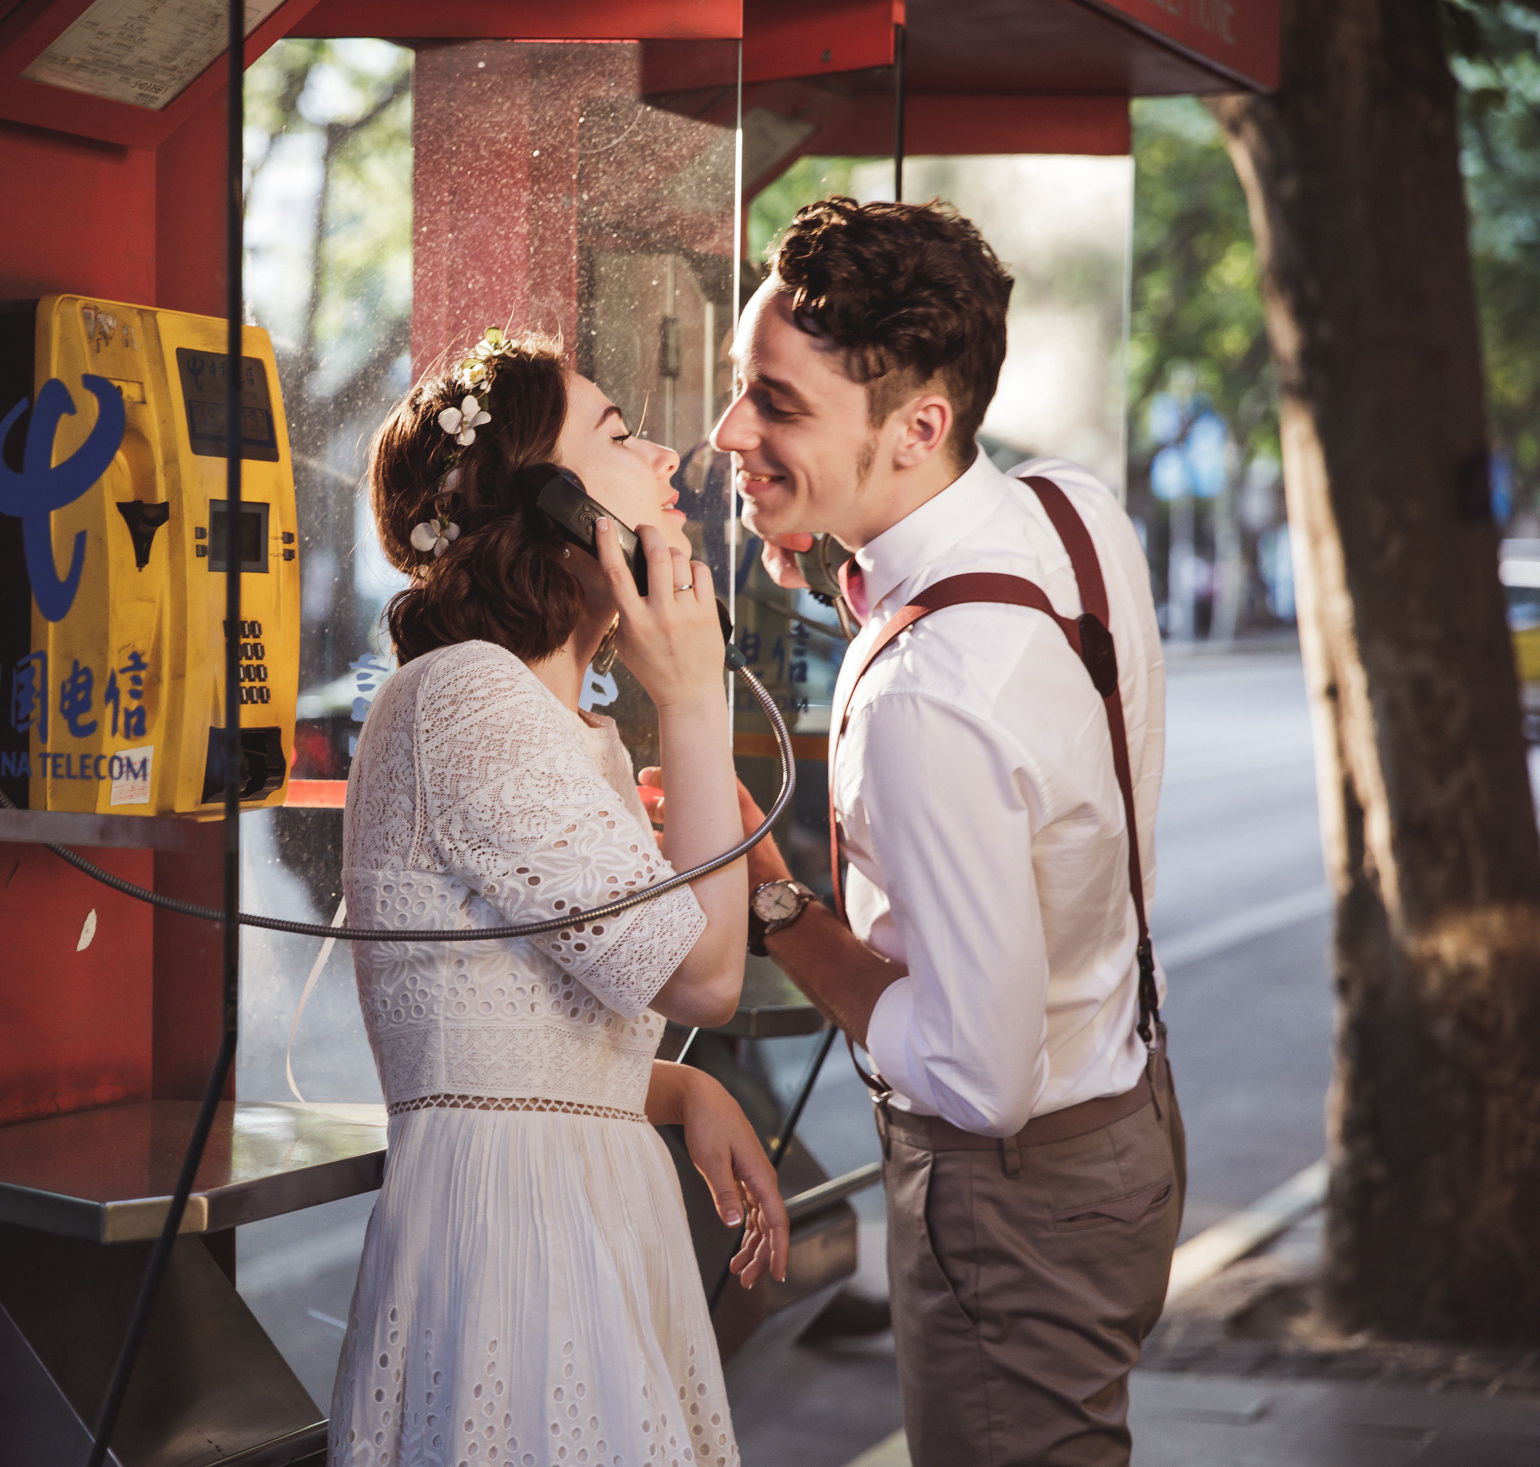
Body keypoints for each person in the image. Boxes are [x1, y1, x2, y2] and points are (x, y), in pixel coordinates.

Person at [651, 198, 1182, 1467]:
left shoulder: (922, 700)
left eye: (776, 405)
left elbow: (977, 1076)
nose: (728, 433)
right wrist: (833, 535)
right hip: (1125, 1115)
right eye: (738, 388)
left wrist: (784, 912)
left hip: (1012, 1197)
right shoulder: (1069, 511)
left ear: (919, 429)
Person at [331, 332, 783, 1467]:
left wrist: (669, 1089)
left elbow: (516, 1029)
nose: (670, 456)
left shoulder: (553, 725)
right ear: (554, 506)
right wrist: (688, 698)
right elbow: (707, 977)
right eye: (621, 436)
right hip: (516, 1236)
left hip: (580, 1212)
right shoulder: (467, 699)